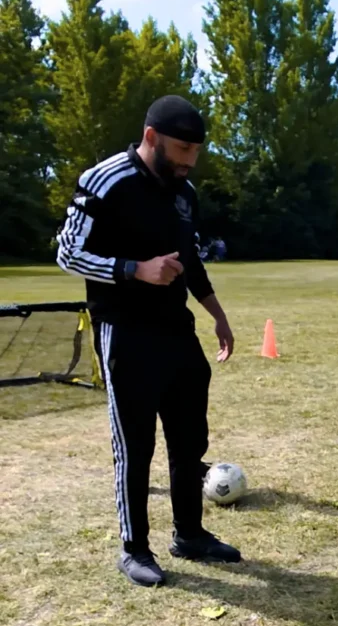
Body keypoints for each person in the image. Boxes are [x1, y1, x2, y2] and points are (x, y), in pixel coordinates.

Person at [56, 95, 241, 587]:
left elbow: (191, 260)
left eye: (196, 151)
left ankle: (190, 535)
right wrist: (134, 269)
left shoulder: (185, 193)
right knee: (135, 447)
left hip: (177, 330)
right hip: (125, 331)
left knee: (189, 439)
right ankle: (134, 549)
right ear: (152, 137)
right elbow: (67, 253)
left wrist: (217, 315)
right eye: (182, 149)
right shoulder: (105, 180)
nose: (189, 161)